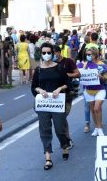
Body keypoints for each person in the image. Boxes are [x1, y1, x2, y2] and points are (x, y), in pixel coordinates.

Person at [32, 42, 78, 170]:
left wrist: (59, 88)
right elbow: (33, 86)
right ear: (41, 54)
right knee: (44, 130)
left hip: (57, 103)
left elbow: (68, 84)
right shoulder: (38, 70)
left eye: (48, 52)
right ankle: (48, 158)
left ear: (53, 53)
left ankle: (64, 145)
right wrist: (40, 90)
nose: (46, 55)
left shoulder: (59, 68)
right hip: (43, 104)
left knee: (59, 128)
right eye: (44, 53)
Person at [81, 44, 107, 137]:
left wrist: (101, 77)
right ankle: (96, 127)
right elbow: (79, 74)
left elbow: (106, 78)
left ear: (95, 55)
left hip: (100, 89)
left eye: (90, 54)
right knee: (92, 110)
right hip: (88, 90)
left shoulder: (101, 65)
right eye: (87, 54)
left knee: (97, 108)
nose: (88, 56)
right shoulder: (84, 64)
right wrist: (83, 68)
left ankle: (100, 128)